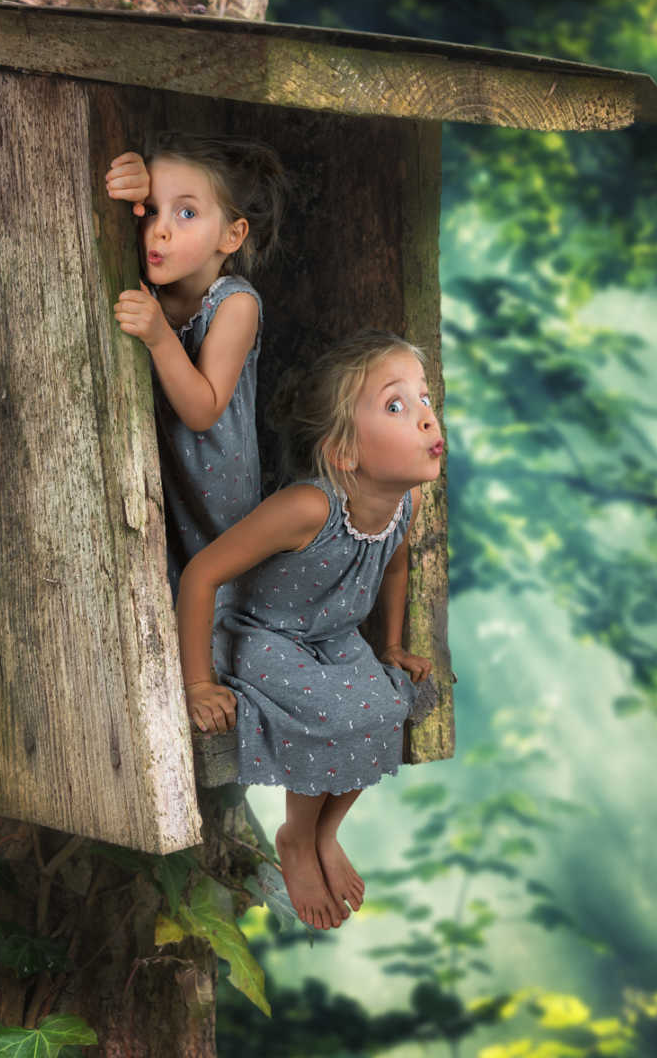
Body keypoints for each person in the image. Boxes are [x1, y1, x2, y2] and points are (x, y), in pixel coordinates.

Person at [177, 331, 443, 930]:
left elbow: (396, 562)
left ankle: (327, 830)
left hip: (332, 635)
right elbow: (201, 575)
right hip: (259, 633)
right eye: (398, 406)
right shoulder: (308, 508)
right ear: (345, 453)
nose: (427, 418)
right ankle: (297, 836)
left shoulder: (407, 506)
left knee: (388, 705)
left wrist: (393, 644)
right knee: (338, 713)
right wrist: (199, 684)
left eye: (425, 401)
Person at [105, 134, 289, 589]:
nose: (159, 229)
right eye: (151, 210)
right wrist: (125, 177)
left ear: (232, 235)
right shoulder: (151, 285)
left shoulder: (235, 304)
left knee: (215, 593)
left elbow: (204, 409)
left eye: (186, 213)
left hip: (218, 500)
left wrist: (159, 337)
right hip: (162, 485)